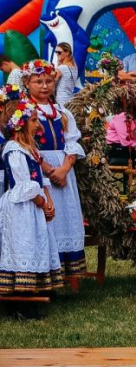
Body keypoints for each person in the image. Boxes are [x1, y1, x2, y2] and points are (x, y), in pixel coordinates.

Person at [23, 60, 86, 275]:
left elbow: (72, 142)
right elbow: (25, 144)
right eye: (38, 81)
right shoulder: (25, 112)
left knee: (64, 218)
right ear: (27, 83)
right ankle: (46, 271)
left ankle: (67, 269)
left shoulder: (62, 112)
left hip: (64, 172)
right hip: (39, 170)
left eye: (49, 81)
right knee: (46, 217)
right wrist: (49, 170)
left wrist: (65, 168)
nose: (44, 85)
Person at [0, 98, 61, 294]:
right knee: (22, 244)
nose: (38, 125)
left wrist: (48, 200)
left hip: (33, 206)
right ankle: (20, 294)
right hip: (21, 208)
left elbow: (39, 179)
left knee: (36, 243)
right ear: (21, 124)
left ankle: (37, 287)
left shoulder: (30, 149)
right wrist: (42, 203)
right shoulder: (14, 150)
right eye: (34, 120)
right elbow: (23, 186)